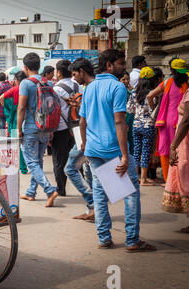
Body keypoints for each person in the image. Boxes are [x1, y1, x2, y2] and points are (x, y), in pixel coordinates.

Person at [80, 49, 156, 252]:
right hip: (113, 149)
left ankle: (104, 238)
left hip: (94, 149)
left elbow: (82, 121)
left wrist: (86, 145)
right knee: (130, 193)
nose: (124, 67)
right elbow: (119, 122)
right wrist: (124, 156)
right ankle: (132, 240)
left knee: (99, 192)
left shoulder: (89, 88)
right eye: (121, 63)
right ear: (109, 65)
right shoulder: (117, 88)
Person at [17, 52, 59, 207]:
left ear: (26, 67)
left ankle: (49, 189)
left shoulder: (26, 83)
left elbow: (21, 108)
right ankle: (31, 192)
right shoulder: (49, 83)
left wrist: (18, 129)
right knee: (38, 160)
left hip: (31, 128)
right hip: (46, 128)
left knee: (31, 162)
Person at [148, 58, 189, 183]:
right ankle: (181, 182)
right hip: (183, 122)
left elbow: (150, 96)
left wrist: (155, 109)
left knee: (165, 152)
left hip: (167, 122)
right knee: (182, 152)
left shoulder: (167, 83)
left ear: (171, 70)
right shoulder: (187, 84)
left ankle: (168, 182)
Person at [65, 58, 95, 221]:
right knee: (88, 172)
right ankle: (92, 208)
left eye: (75, 74)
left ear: (82, 71)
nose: (74, 78)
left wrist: (84, 142)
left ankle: (92, 203)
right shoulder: (89, 88)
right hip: (90, 137)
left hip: (87, 137)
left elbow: (84, 120)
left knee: (70, 168)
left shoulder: (91, 88)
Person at [162, 78, 189, 231]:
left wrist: (173, 146)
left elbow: (186, 121)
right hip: (184, 141)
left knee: (186, 175)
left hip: (186, 143)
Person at [52, 59, 82, 196]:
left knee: (59, 160)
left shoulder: (56, 89)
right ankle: (84, 186)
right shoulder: (78, 86)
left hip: (61, 128)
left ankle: (61, 188)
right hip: (77, 126)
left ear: (59, 72)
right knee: (79, 158)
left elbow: (52, 111)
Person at [128, 67, 158, 186]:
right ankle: (144, 179)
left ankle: (136, 178)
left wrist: (138, 114)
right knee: (145, 151)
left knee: (136, 151)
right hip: (148, 125)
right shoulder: (152, 93)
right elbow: (153, 110)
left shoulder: (134, 92)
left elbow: (129, 108)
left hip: (136, 124)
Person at [0, 70, 28, 174]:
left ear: (17, 80)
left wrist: (9, 110)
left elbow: (1, 98)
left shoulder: (15, 89)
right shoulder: (30, 87)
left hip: (16, 119)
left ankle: (22, 167)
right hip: (29, 119)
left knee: (17, 143)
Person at [120, 71, 135, 156]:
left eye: (128, 79)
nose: (126, 81)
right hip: (123, 119)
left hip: (130, 119)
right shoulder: (119, 93)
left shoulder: (131, 93)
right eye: (123, 79)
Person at [0, 72, 12, 136]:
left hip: (0, 111)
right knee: (10, 127)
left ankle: (3, 142)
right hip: (9, 109)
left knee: (2, 128)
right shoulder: (9, 86)